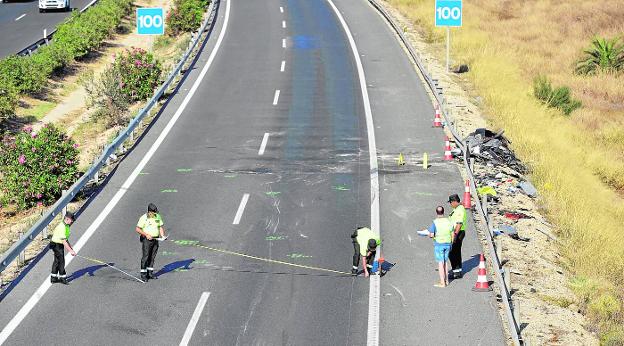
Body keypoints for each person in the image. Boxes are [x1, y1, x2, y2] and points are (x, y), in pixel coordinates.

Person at [136, 203, 166, 282]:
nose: (155, 214)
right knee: (145, 257)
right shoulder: (144, 218)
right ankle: (143, 274)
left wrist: (162, 236)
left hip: (155, 239)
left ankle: (150, 273)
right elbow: (138, 229)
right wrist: (146, 235)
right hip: (147, 240)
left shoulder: (157, 216)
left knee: (152, 257)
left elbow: (160, 227)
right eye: (154, 213)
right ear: (149, 212)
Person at [428, 206, 455, 287]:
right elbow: (452, 233)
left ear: (436, 212)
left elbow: (432, 235)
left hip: (439, 244)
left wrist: (429, 235)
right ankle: (446, 280)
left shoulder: (435, 222)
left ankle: (442, 283)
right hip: (448, 244)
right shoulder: (449, 221)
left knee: (440, 263)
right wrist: (451, 243)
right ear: (443, 212)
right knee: (445, 263)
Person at [50, 212, 76, 285]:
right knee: (61, 262)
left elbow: (66, 239)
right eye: (71, 220)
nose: (72, 221)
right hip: (57, 245)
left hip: (56, 244)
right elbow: (64, 241)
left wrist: (71, 248)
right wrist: (71, 251)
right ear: (67, 219)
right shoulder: (62, 227)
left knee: (57, 261)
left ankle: (53, 278)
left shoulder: (66, 225)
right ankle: (62, 278)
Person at [448, 194, 467, 279]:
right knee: (456, 252)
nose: (450, 204)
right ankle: (457, 271)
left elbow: (459, 224)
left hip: (458, 232)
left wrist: (455, 235)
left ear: (455, 201)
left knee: (453, 252)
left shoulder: (460, 210)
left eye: (451, 202)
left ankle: (456, 271)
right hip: (456, 232)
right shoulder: (456, 209)